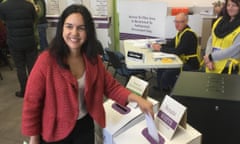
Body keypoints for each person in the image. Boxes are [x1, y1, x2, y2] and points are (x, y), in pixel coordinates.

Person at [21, 4, 154, 144]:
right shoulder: (46, 61)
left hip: (84, 126)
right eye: (69, 26)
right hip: (55, 130)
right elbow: (32, 103)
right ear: (61, 28)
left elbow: (110, 86)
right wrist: (34, 138)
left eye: (81, 28)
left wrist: (137, 99)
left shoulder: (92, 59)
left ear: (88, 31)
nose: (74, 33)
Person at [152, 12, 199, 94]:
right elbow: (171, 44)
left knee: (167, 73)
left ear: (186, 22)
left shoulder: (188, 35)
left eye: (180, 22)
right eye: (176, 22)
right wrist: (159, 45)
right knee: (161, 67)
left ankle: (177, 92)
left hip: (190, 64)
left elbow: (178, 51)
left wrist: (161, 48)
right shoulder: (181, 33)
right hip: (180, 61)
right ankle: (162, 87)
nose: (177, 24)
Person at [0, 0, 38, 97]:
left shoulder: (3, 6)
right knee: (32, 67)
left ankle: (24, 91)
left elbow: (3, 21)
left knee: (20, 67)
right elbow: (34, 19)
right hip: (30, 41)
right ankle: (36, 90)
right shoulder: (29, 5)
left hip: (14, 42)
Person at [204, 0, 240, 74]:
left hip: (229, 69)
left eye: (234, 5)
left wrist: (211, 57)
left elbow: (233, 50)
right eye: (228, 5)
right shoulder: (220, 21)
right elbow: (211, 40)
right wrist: (208, 58)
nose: (230, 8)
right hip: (212, 65)